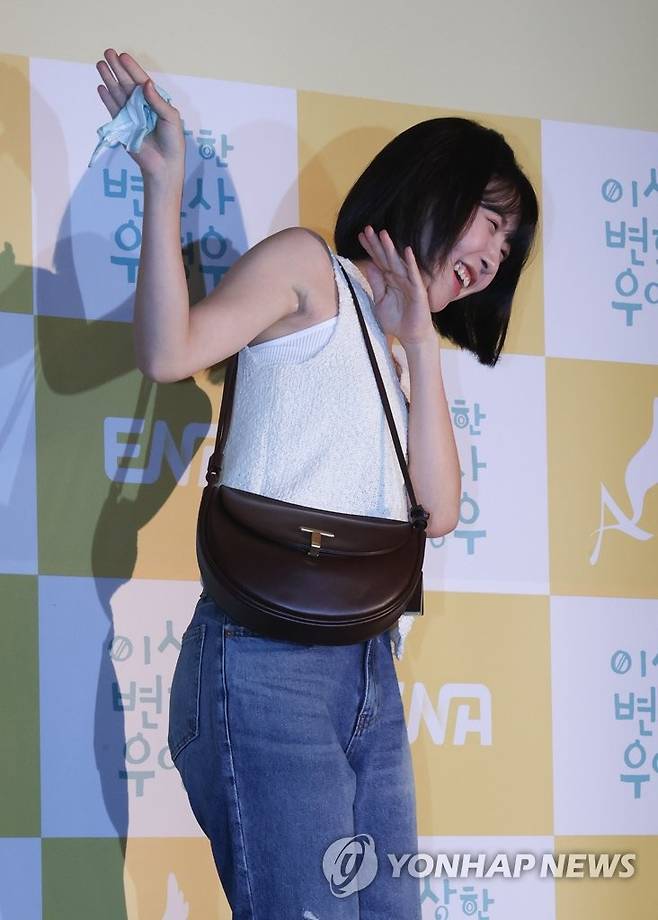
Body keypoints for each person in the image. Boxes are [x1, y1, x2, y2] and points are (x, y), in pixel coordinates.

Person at [96, 49, 538, 920]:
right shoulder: (308, 270)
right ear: (431, 186)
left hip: (368, 668)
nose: (494, 255)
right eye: (490, 221)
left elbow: (439, 512)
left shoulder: (403, 354)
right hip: (266, 660)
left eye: (508, 247)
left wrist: (420, 344)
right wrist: (164, 184)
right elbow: (170, 351)